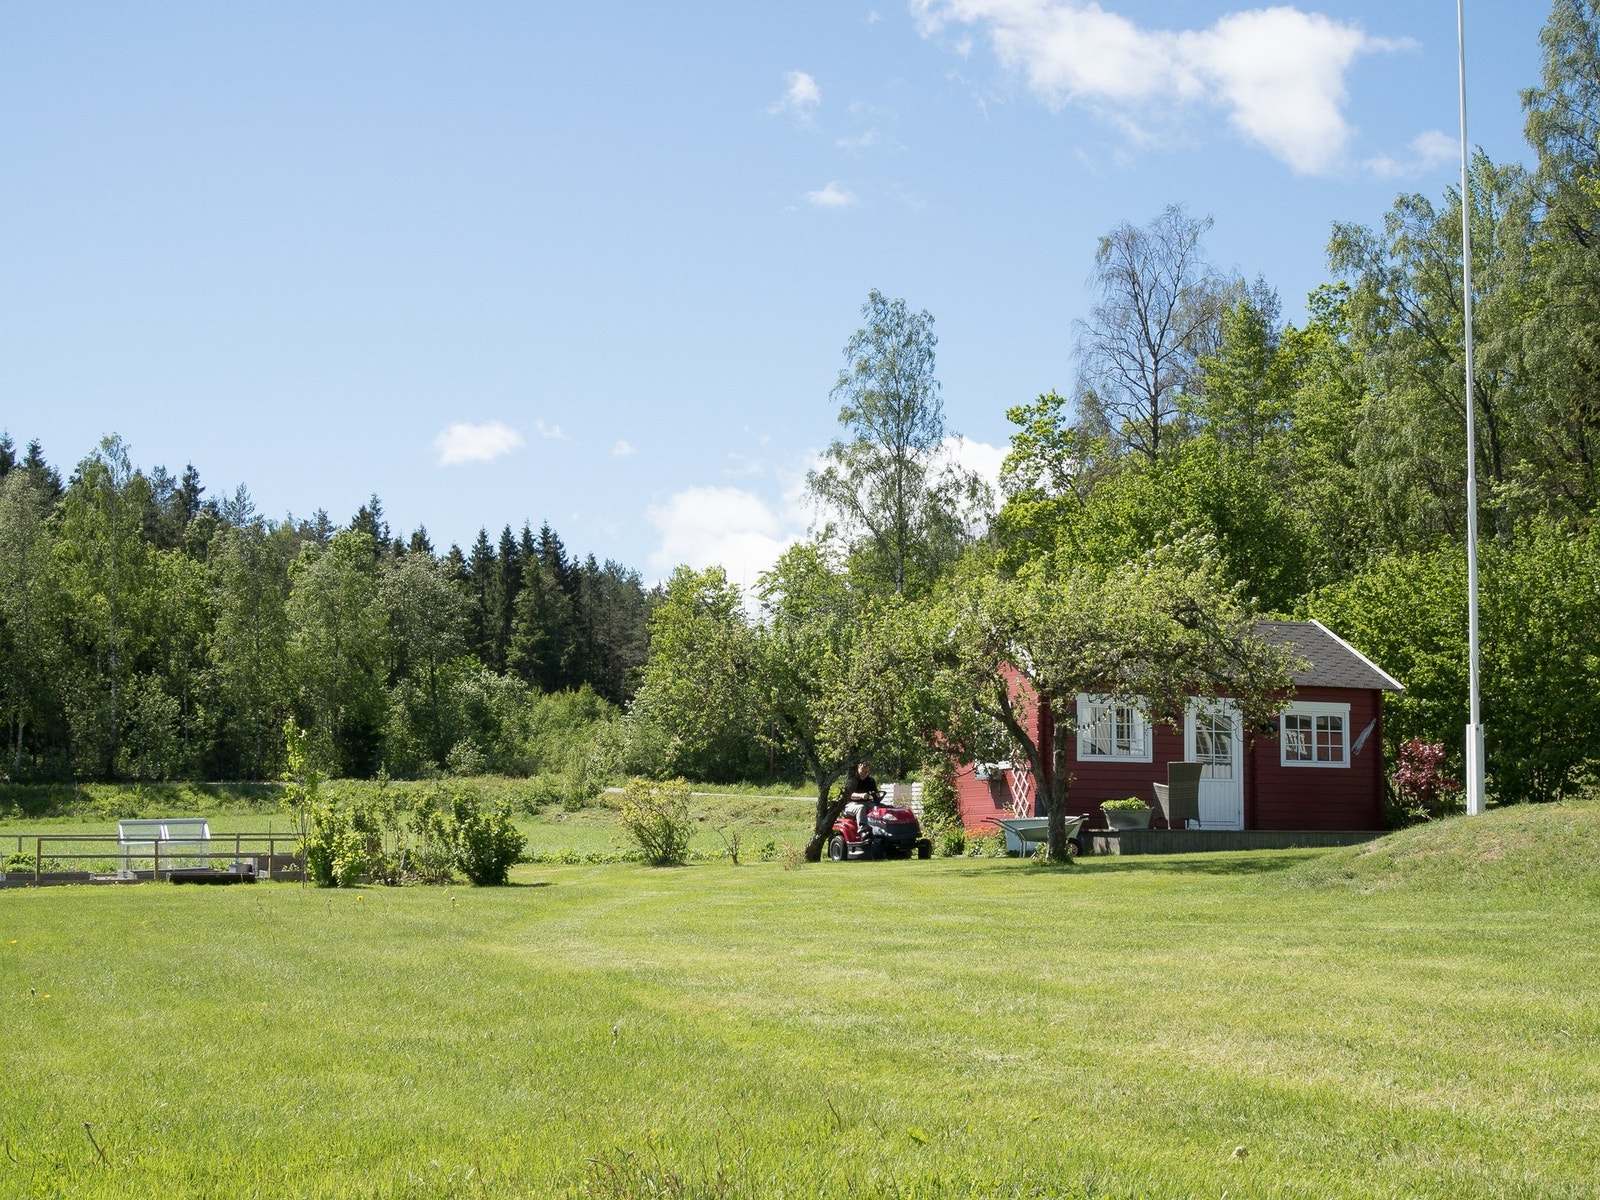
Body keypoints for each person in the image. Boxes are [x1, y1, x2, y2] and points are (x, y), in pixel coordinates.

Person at [843, 761, 880, 834]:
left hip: (866, 803)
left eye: (866, 772)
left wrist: (877, 795)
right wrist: (861, 795)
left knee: (880, 808)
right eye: (862, 771)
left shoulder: (870, 780)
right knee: (861, 807)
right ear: (858, 768)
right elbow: (848, 795)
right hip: (850, 804)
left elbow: (875, 792)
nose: (864, 773)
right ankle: (863, 829)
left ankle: (880, 828)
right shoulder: (852, 780)